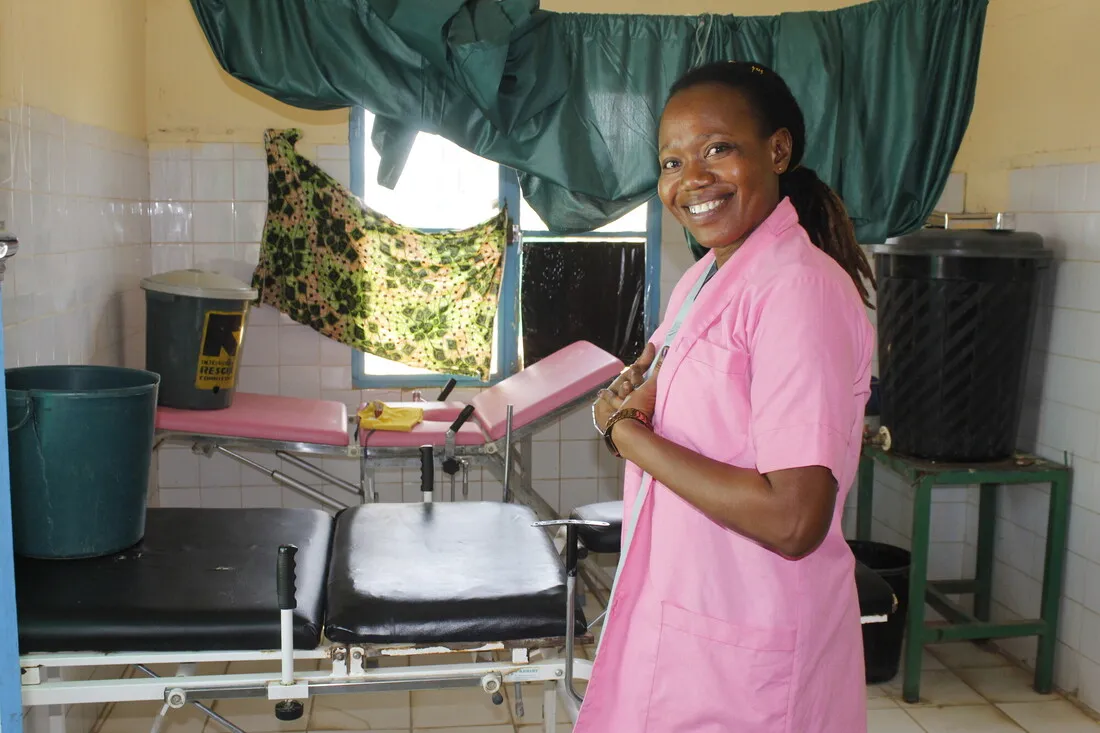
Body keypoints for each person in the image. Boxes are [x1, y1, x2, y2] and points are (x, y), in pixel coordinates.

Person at [578, 60, 877, 732]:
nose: (692, 179)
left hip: (755, 652)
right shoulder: (708, 279)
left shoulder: (798, 290)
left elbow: (793, 518)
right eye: (673, 160)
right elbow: (666, 389)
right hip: (691, 629)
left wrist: (626, 434)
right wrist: (638, 399)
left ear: (777, 150)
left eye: (718, 149)